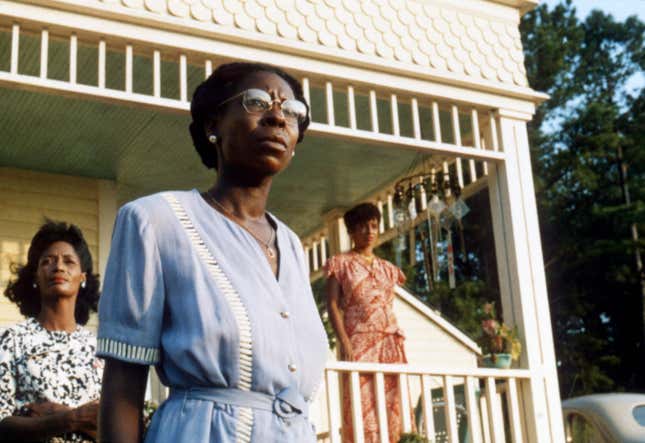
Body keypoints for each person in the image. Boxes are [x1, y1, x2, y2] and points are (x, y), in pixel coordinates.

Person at [97, 62, 328, 443]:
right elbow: (123, 386)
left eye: (291, 112)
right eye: (256, 102)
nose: (276, 117)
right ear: (212, 125)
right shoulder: (155, 221)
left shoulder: (291, 245)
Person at [0, 221, 102, 442]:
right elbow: (2, 424)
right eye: (47, 261)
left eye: (69, 261)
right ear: (36, 276)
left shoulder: (100, 349)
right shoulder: (12, 340)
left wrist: (57, 414)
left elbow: (119, 429)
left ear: (82, 277)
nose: (58, 267)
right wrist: (73, 418)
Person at [325, 203, 408, 443]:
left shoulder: (388, 269)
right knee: (362, 407)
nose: (369, 232)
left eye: (373, 226)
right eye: (362, 227)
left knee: (393, 408)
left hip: (390, 344)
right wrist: (344, 343)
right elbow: (332, 306)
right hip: (359, 342)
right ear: (351, 231)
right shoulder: (340, 264)